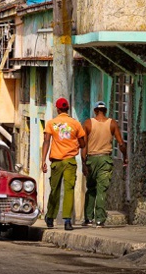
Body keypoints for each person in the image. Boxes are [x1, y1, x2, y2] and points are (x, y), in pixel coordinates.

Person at [41, 97, 86, 231]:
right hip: (70, 162)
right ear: (68, 108)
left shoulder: (51, 123)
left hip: (56, 162)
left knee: (54, 189)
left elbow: (46, 141)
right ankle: (67, 221)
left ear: (58, 109)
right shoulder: (76, 124)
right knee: (69, 190)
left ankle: (50, 217)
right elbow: (83, 143)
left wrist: (43, 160)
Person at [81, 101, 127, 228]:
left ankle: (88, 219)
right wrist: (125, 157)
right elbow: (121, 143)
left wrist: (83, 163)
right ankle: (100, 220)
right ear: (105, 111)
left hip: (91, 159)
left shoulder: (88, 123)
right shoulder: (112, 123)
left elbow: (84, 145)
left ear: (95, 111)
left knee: (91, 189)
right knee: (102, 190)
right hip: (105, 160)